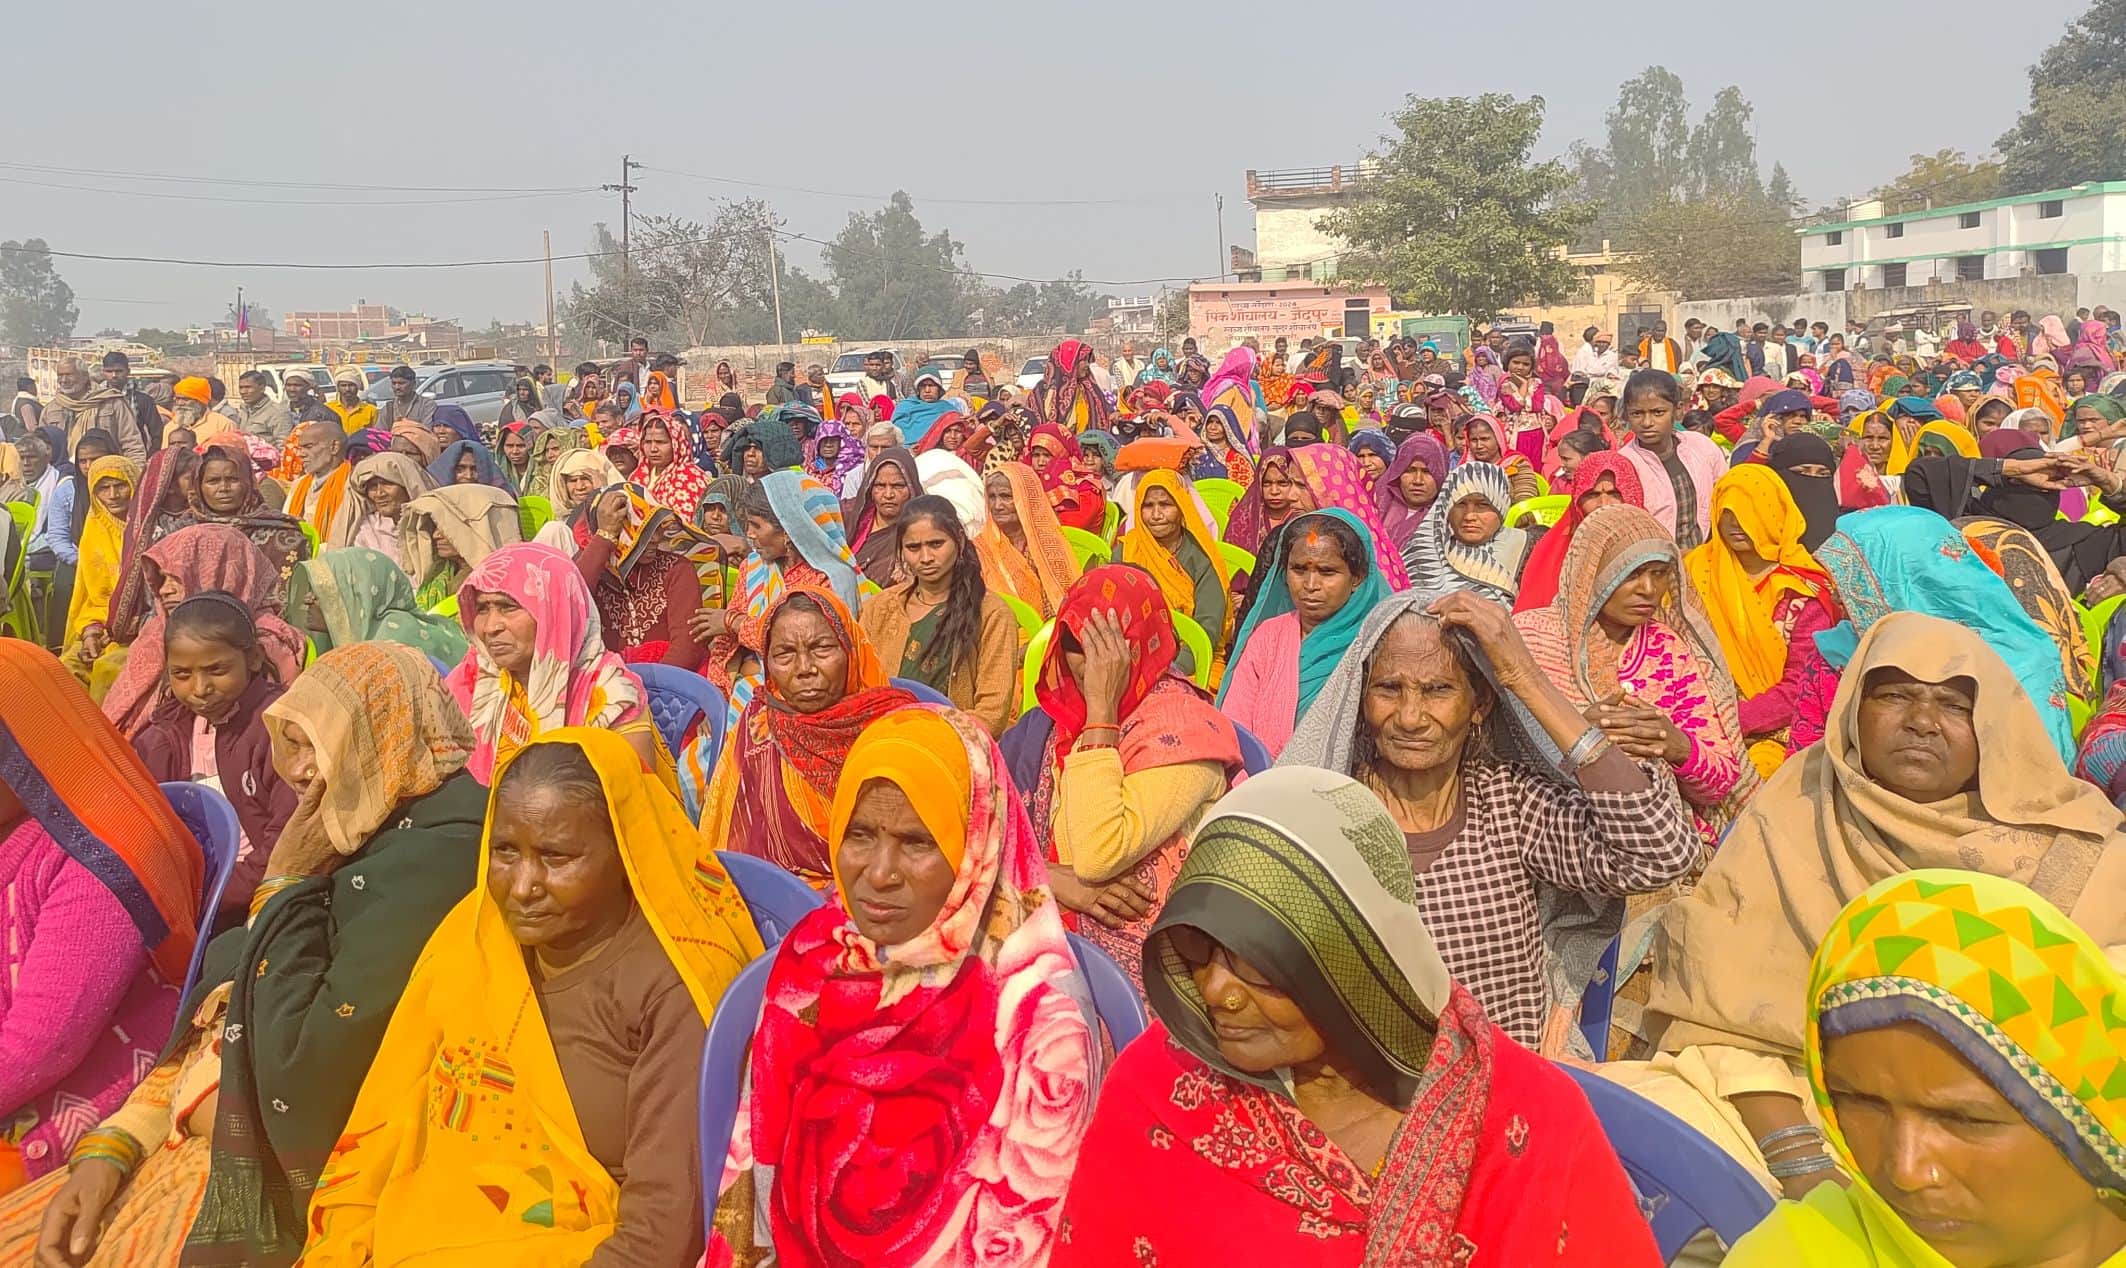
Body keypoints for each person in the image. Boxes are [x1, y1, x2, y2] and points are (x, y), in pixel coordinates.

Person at [1052, 766, 1663, 1267]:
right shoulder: (1159, 1088)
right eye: (1193, 952)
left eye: (1256, 964)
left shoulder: (1528, 1123)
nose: (1217, 992)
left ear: (1352, 961)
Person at [1629, 614, 2126, 1198]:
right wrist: (1800, 1163)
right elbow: (1720, 1019)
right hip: (1812, 1107)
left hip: (2023, 1135)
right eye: (1894, 696)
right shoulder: (1801, 801)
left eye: (1953, 705)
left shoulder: (2079, 846)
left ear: (1993, 723)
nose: (1921, 723)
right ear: (1853, 710)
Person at [300, 728, 760, 1266]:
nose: (521, 886)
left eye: (556, 857)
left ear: (626, 852)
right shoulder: (478, 936)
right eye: (504, 852)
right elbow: (398, 1108)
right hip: (423, 1227)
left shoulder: (668, 989)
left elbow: (658, 1235)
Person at [710, 706, 1097, 1267]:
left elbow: (1022, 1237)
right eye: (859, 834)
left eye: (916, 842)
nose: (880, 872)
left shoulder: (1038, 1022)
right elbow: (757, 1167)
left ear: (975, 845)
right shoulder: (815, 956)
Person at [165, 642, 487, 1265]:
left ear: (388, 735)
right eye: (294, 744)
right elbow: (227, 961)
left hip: (376, 1134)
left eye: (320, 743)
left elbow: (314, 1052)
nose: (302, 771)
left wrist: (285, 879)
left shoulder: (442, 852)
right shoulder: (376, 812)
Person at [1282, 584, 1701, 1052]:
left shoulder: (1506, 802)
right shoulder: (1330, 817)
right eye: (1388, 689)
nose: (1410, 716)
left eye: (1438, 690)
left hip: (1502, 1097)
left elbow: (1659, 853)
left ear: (1479, 704)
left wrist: (1524, 676)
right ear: (1362, 697)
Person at [1727, 871, 2126, 1267]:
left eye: (1965, 1119)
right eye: (1861, 1102)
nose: (1906, 1171)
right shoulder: (1795, 1255)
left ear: (2092, 1119)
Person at [0, 643, 198, 1195]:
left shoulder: (100, 857)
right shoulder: (16, 822)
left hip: (49, 1100)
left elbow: (41, 1046)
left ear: (27, 752)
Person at [1002, 565, 1241, 988]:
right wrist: (1054, 879)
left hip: (1152, 962)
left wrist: (1101, 713)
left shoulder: (1183, 732)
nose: (1090, 665)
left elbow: (1097, 857)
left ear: (1142, 644)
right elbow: (985, 837)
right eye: (1076, 643)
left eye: (1109, 647)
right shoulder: (1049, 726)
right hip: (1045, 918)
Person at [1513, 503, 1753, 841]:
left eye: (1658, 574)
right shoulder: (1533, 639)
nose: (1648, 590)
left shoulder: (1669, 649)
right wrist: (1577, 734)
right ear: (1590, 572)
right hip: (1553, 829)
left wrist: (1676, 746)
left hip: (1663, 834)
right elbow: (1504, 756)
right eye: (1631, 573)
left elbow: (1721, 779)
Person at [1810, 506, 2077, 761]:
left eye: (1856, 581)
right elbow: (1808, 751)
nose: (1837, 596)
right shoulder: (1843, 647)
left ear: (1910, 580)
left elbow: (2037, 775)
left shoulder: (2021, 658)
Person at [447, 541, 670, 788]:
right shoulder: (472, 679)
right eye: (482, 609)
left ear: (555, 611)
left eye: (508, 607)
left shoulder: (611, 693)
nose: (491, 627)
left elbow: (631, 797)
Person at [1684, 465, 1841, 777]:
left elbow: (1800, 684)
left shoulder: (1804, 590)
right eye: (1726, 511)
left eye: (1748, 511)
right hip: (1694, 717)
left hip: (1778, 730)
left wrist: (1730, 721)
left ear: (1774, 513)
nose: (1734, 524)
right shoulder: (1693, 574)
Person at [1218, 508, 1392, 757]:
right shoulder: (1269, 637)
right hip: (1261, 782)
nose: (1310, 586)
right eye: (1299, 570)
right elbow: (1236, 727)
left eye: (1327, 571)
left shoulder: (1379, 642)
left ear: (1357, 578)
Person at [859, 495, 1018, 735]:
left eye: (936, 544)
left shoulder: (991, 614)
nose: (925, 558)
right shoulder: (879, 608)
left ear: (959, 542)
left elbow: (992, 714)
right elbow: (860, 689)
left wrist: (930, 735)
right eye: (913, 548)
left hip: (958, 744)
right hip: (885, 738)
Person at [571, 486, 708, 667]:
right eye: (637, 530)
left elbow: (687, 647)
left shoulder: (677, 569)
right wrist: (605, 537)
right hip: (606, 680)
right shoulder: (590, 566)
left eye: (655, 528)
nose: (654, 538)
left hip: (668, 683)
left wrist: (649, 688)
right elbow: (570, 606)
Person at [1113, 470, 1233, 677]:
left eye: (1166, 505)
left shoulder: (1201, 557)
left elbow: (1208, 626)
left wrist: (1174, 671)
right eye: (1148, 506)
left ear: (1181, 507)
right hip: (1132, 662)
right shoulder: (1126, 552)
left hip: (1193, 660)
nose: (1157, 514)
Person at [292, 545, 470, 665]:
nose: (308, 599)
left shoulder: (390, 647)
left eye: (322, 593)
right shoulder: (359, 635)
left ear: (358, 599)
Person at [1615, 368, 1729, 552]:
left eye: (1658, 412)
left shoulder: (1702, 448)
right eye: (1637, 414)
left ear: (1678, 410)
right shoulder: (1624, 463)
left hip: (1704, 559)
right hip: (1652, 566)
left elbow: (1724, 499)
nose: (1647, 423)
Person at [1399, 462, 1529, 605]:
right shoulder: (1425, 549)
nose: (1469, 516)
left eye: (1483, 505)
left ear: (1501, 506)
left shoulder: (1523, 546)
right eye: (1460, 504)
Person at [190, 435, 308, 578]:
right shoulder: (185, 532)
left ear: (249, 482)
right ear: (199, 486)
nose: (224, 488)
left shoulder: (282, 535)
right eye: (213, 481)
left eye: (233, 479)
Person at [975, 461, 1079, 621]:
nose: (997, 506)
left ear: (1026, 499)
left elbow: (1058, 606)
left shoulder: (1046, 545)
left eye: (1006, 496)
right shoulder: (979, 547)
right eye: (992, 497)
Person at [61, 454, 138, 672]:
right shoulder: (93, 531)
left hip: (139, 627)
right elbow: (92, 598)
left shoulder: (151, 531)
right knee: (67, 668)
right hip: (99, 624)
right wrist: (91, 632)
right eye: (103, 488)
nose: (113, 495)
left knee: (108, 668)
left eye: (120, 485)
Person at [44, 357, 149, 464]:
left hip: (107, 471)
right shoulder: (51, 409)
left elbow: (132, 444)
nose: (64, 380)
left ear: (85, 377)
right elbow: (41, 447)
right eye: (60, 375)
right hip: (63, 475)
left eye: (69, 375)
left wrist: (135, 474)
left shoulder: (111, 403)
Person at [842, 443, 919, 585]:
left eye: (898, 486)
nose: (888, 494)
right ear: (870, 488)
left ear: (911, 488)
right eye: (880, 486)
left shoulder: (920, 531)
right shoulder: (850, 514)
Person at [1373, 431, 1449, 558]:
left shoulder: (1448, 519)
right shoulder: (1375, 508)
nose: (1417, 481)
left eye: (1427, 472)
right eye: (1410, 470)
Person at [283, 420, 358, 545]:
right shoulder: (299, 485)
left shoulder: (352, 484)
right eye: (300, 448)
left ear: (334, 447)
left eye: (309, 447)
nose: (301, 454)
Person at [1025, 424, 1106, 533]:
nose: (1040, 462)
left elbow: (1067, 530)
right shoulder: (1034, 482)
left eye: (1047, 455)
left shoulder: (1087, 489)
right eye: (1036, 455)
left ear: (1063, 456)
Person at [228, 371, 294, 445]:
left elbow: (283, 446)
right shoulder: (243, 410)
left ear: (262, 388)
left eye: (248, 387)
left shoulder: (278, 413)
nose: (243, 392)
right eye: (241, 388)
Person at [374, 365, 436, 431]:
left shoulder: (426, 405)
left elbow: (426, 431)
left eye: (401, 383)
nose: (397, 387)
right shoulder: (388, 408)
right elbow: (379, 433)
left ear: (413, 384)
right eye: (394, 383)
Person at [326, 366, 377, 434]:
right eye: (343, 385)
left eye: (351, 385)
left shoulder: (371, 410)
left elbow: (375, 436)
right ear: (338, 388)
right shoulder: (328, 408)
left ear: (358, 386)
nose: (347, 389)